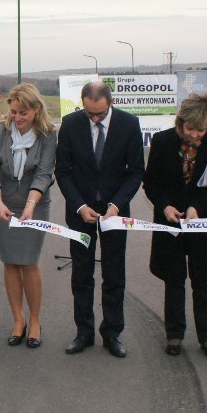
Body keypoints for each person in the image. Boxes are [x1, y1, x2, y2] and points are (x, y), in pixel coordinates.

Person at [54, 81, 144, 358]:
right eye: (89, 113)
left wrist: (117, 204)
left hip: (115, 213)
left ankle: (112, 333)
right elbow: (63, 171)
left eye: (100, 114)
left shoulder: (129, 124)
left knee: (114, 273)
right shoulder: (70, 125)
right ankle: (84, 332)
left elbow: (136, 172)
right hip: (81, 213)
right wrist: (79, 205)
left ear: (110, 103)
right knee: (81, 273)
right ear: (82, 103)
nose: (95, 119)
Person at [143, 93, 207, 359]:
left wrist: (197, 208)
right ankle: (175, 335)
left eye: (200, 130)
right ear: (180, 123)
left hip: (200, 218)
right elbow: (151, 183)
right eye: (189, 129)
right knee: (174, 277)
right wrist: (164, 206)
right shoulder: (163, 141)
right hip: (170, 219)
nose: (194, 135)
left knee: (203, 278)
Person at [0, 83, 56, 349]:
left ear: (36, 110)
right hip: (2, 203)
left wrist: (30, 205)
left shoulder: (48, 135)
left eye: (23, 113)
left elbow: (44, 173)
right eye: (13, 112)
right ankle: (18, 320)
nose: (17, 118)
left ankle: (35, 321)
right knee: (10, 262)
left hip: (34, 204)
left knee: (29, 261)